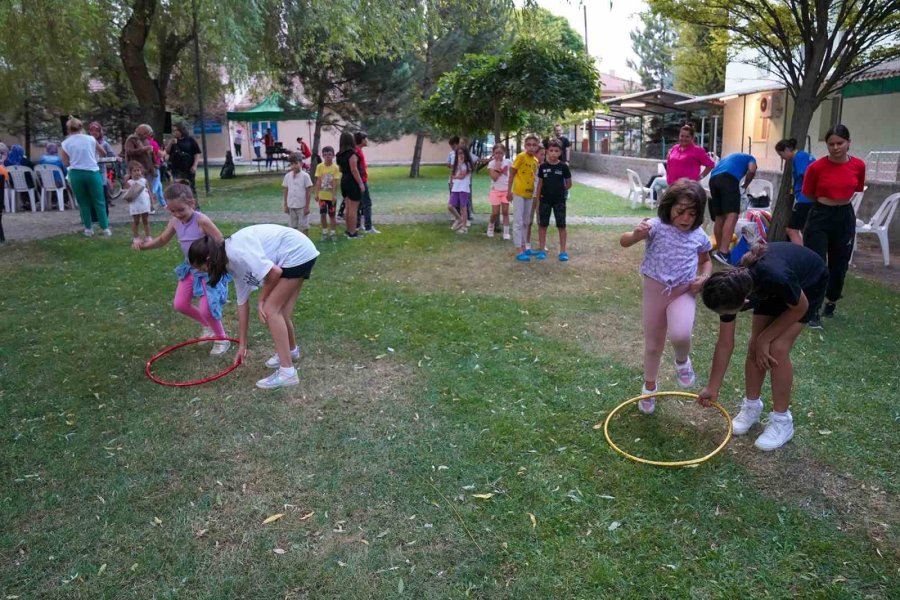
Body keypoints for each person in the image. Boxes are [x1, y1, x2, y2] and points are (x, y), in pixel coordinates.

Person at [699, 242, 828, 451]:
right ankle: (751, 407)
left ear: (745, 301)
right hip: (771, 288)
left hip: (807, 285)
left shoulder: (777, 277)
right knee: (755, 346)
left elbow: (800, 307)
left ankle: (782, 421)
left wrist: (765, 339)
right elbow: (725, 343)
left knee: (776, 348)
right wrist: (713, 387)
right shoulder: (730, 289)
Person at [188, 224, 320, 390]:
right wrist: (242, 344)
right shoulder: (230, 263)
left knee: (271, 311)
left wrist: (261, 300)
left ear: (208, 260)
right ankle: (291, 351)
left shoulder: (236, 253)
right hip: (300, 251)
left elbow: (274, 273)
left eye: (202, 269)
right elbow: (242, 304)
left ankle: (287, 373)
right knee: (282, 312)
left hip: (296, 252)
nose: (204, 273)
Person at [621, 180, 713, 413]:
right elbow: (624, 242)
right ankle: (649, 387)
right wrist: (635, 234)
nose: (685, 218)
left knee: (681, 333)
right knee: (653, 345)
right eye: (680, 211)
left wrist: (703, 278)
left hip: (683, 291)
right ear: (669, 207)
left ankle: (682, 361)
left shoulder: (699, 235)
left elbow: (706, 261)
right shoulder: (655, 226)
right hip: (655, 290)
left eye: (692, 213)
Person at [134, 183, 231, 356]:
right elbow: (163, 239)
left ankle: (222, 338)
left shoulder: (202, 221)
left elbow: (220, 241)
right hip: (190, 269)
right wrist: (144, 246)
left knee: (207, 308)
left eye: (181, 210)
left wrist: (216, 264)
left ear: (192, 203)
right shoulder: (175, 222)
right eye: (172, 211)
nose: (177, 215)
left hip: (207, 270)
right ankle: (208, 326)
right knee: (180, 304)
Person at [802, 125, 865, 327]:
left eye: (840, 143)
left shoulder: (858, 165)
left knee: (839, 264)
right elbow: (809, 193)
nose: (836, 147)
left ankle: (831, 301)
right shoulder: (816, 167)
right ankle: (812, 310)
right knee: (817, 263)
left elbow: (857, 187)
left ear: (848, 143)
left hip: (845, 216)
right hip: (820, 214)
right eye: (831, 144)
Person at [60, 118, 110, 237]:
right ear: (81, 127)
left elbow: (66, 162)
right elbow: (103, 153)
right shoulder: (90, 139)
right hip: (92, 172)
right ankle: (105, 228)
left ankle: (88, 229)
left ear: (68, 129)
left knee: (83, 202)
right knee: (99, 201)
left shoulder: (66, 143)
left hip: (76, 174)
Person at [707, 152, 757, 265]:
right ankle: (724, 253)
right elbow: (752, 170)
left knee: (720, 217)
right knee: (732, 215)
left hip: (713, 179)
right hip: (728, 179)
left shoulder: (730, 157)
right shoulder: (751, 158)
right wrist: (745, 185)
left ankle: (720, 250)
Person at [535, 140, 573, 261]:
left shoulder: (563, 167)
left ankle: (563, 251)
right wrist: (537, 200)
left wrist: (560, 191)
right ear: (547, 151)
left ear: (560, 152)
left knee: (561, 226)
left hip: (559, 201)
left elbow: (569, 183)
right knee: (543, 225)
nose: (553, 153)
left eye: (556, 151)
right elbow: (539, 185)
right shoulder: (542, 167)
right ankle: (541, 250)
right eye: (551, 150)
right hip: (544, 200)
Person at [774, 139, 816, 246]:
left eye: (781, 154)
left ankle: (801, 255)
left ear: (787, 150)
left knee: (791, 230)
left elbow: (805, 175)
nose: (782, 158)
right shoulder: (804, 156)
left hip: (805, 199)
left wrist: (804, 194)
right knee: (806, 229)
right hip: (808, 198)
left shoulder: (799, 157)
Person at [508, 133, 541, 262]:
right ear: (525, 145)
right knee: (518, 221)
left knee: (526, 221)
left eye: (534, 145)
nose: (531, 147)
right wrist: (508, 191)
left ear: (537, 146)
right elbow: (511, 175)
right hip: (518, 193)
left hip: (529, 194)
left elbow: (535, 178)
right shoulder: (521, 157)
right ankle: (518, 249)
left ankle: (525, 246)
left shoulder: (536, 161)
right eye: (529, 145)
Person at [660, 124, 716, 199]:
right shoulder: (674, 148)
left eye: (687, 136)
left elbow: (710, 165)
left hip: (688, 188)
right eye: (682, 136)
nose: (684, 138)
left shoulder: (697, 150)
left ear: (692, 138)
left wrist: (699, 177)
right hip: (672, 187)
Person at [336, 131, 365, 238]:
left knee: (348, 207)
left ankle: (348, 230)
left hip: (344, 180)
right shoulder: (352, 153)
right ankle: (353, 232)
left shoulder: (339, 154)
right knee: (353, 208)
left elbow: (340, 169)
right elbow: (354, 169)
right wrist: (360, 183)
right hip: (353, 182)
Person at [166, 121, 202, 199]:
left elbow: (197, 153)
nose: (175, 132)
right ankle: (181, 205)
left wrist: (194, 165)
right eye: (174, 131)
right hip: (176, 168)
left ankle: (194, 206)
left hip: (188, 167)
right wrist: (171, 143)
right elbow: (167, 151)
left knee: (190, 187)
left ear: (182, 130)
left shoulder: (190, 140)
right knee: (178, 188)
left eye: (176, 130)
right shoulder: (174, 141)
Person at [354, 131, 380, 234]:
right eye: (365, 139)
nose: (366, 141)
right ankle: (368, 227)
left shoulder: (358, 150)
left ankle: (358, 225)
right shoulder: (357, 151)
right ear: (361, 140)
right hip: (361, 182)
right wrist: (361, 183)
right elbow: (356, 169)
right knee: (367, 204)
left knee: (360, 204)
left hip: (361, 181)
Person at [283, 152, 314, 235]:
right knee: (293, 226)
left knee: (304, 226)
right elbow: (286, 191)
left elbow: (308, 192)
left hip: (302, 206)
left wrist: (307, 207)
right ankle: (295, 242)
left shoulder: (305, 176)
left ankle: (306, 242)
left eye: (296, 163)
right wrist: (286, 205)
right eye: (292, 164)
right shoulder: (287, 176)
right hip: (291, 206)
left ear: (301, 163)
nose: (294, 166)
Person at [486, 143, 511, 240]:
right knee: (495, 213)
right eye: (496, 153)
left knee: (505, 212)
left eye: (501, 153)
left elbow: (513, 174)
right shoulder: (491, 164)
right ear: (493, 153)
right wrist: (497, 167)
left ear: (504, 153)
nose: (498, 155)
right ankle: (490, 227)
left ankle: (506, 232)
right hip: (495, 191)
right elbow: (494, 178)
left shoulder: (508, 162)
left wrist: (510, 190)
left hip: (506, 191)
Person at [314, 145, 340, 240]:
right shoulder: (319, 167)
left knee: (332, 215)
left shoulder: (335, 168)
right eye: (325, 155)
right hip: (322, 196)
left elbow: (334, 183)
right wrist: (316, 193)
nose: (327, 156)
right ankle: (324, 231)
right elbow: (318, 181)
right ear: (323, 156)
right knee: (323, 214)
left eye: (329, 154)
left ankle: (332, 232)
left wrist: (333, 196)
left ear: (333, 156)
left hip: (331, 196)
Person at [448, 145, 474, 234]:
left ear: (466, 154)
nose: (460, 155)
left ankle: (464, 227)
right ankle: (459, 219)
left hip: (464, 188)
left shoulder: (468, 165)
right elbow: (452, 174)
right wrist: (451, 182)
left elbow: (462, 176)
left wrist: (456, 173)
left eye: (462, 153)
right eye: (458, 153)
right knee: (450, 206)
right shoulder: (456, 164)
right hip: (456, 187)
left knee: (463, 207)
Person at [124, 161, 152, 243]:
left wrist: (152, 202)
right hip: (135, 204)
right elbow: (127, 191)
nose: (137, 172)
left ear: (141, 171)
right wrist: (126, 179)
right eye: (134, 171)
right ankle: (136, 237)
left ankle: (148, 236)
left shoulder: (144, 181)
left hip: (144, 203)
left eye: (138, 170)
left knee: (146, 221)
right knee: (136, 221)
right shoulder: (130, 182)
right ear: (130, 172)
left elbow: (149, 191)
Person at [526, 146, 546, 253]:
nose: (543, 157)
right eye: (541, 154)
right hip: (531, 196)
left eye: (544, 154)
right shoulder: (531, 165)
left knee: (541, 222)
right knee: (528, 221)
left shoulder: (545, 167)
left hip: (541, 197)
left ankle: (542, 243)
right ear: (535, 155)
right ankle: (527, 243)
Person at [147, 132, 166, 210]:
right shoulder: (153, 143)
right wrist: (165, 151)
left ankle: (163, 203)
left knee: (159, 185)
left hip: (148, 166)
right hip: (155, 166)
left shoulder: (143, 143)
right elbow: (160, 154)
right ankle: (150, 198)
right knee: (156, 184)